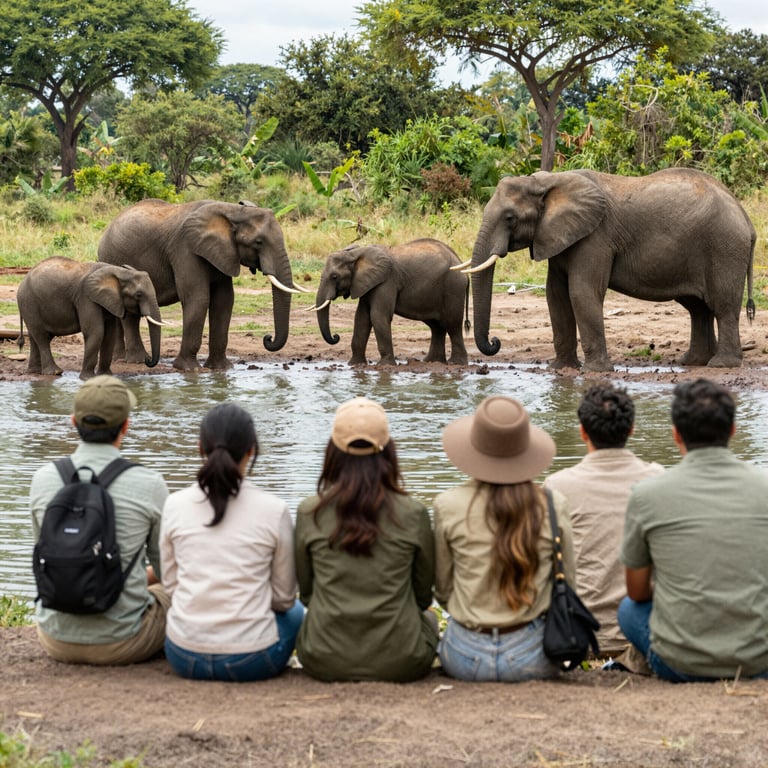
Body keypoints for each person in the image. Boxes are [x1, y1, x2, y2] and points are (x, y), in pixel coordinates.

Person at [619, 378, 768, 682]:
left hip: (679, 664)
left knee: (627, 610)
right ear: (732, 431)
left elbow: (636, 591)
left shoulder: (646, 494)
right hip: (759, 662)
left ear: (675, 434)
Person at [294, 397, 438, 682]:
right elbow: (422, 597)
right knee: (431, 619)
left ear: (332, 451)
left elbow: (308, 593)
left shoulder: (310, 511)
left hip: (323, 658)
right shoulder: (413, 513)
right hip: (403, 660)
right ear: (389, 451)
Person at [434, 395, 575, 682]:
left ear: (474, 447)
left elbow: (444, 589)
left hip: (464, 655)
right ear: (525, 448)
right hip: (533, 655)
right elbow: (567, 583)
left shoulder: (447, 504)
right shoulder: (552, 503)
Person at [30, 375, 170, 665]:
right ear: (126, 426)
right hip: (124, 641)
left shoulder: (42, 479)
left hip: (54, 638)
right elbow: (168, 569)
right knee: (169, 590)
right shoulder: (150, 483)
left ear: (73, 422)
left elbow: (47, 555)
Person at [160, 402, 303, 682]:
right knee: (298, 611)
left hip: (183, 655)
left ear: (200, 447)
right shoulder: (274, 509)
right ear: (251, 450)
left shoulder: (174, 504)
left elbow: (172, 587)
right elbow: (284, 599)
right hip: (252, 659)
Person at [543, 383, 664, 655]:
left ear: (583, 431)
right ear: (631, 429)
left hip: (579, 635)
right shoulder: (658, 479)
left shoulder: (557, 485)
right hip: (644, 634)